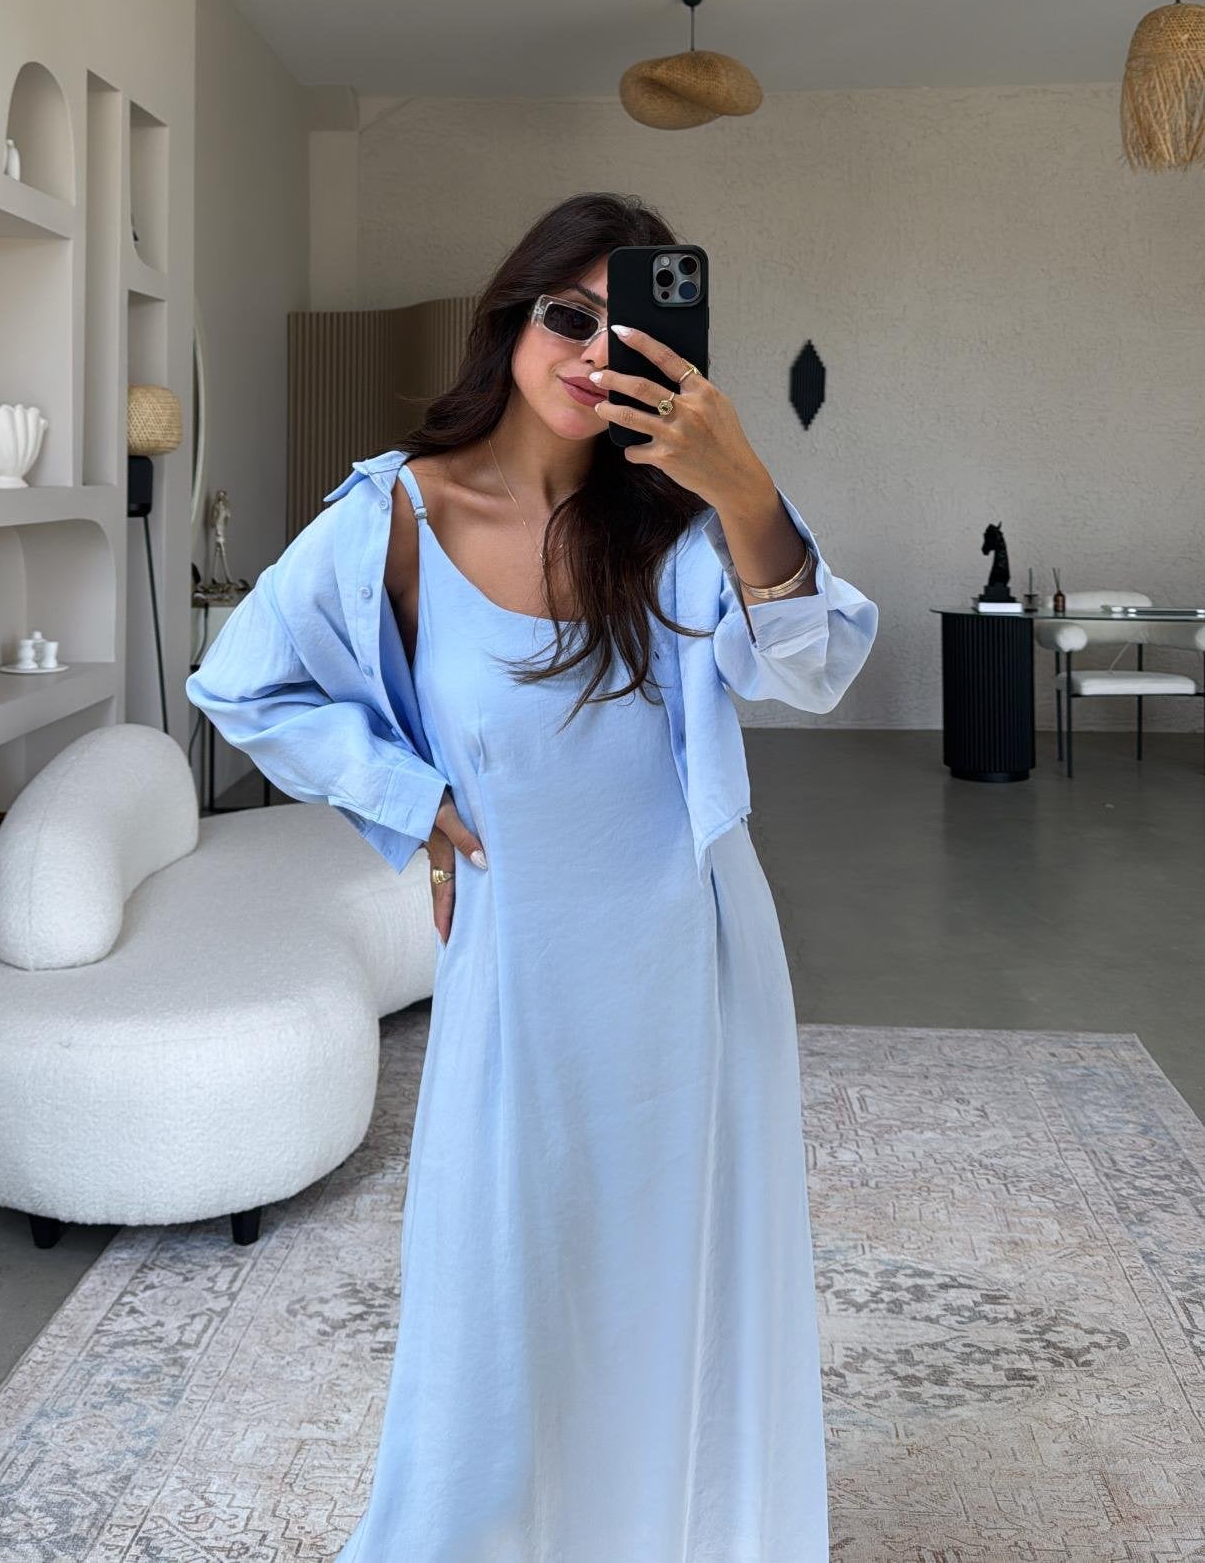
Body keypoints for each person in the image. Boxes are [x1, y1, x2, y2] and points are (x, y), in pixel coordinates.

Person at [186, 190, 879, 1562]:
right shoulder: (400, 514)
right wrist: (415, 803)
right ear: (509, 321)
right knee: (499, 1288)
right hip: (518, 963)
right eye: (570, 315)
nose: (594, 352)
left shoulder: (683, 518)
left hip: (694, 956)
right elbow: (242, 682)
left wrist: (743, 484)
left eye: (632, 328)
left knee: (684, 1274)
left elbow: (814, 669)